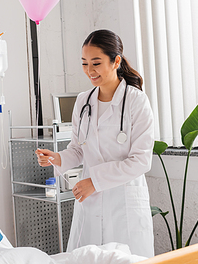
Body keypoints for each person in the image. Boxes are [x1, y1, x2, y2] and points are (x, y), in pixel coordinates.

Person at [36, 29, 154, 257]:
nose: (89, 71)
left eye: (96, 63)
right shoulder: (83, 101)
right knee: (87, 258)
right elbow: (78, 149)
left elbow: (141, 161)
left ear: (116, 61)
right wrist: (57, 158)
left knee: (128, 260)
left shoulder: (136, 101)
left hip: (124, 201)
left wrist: (95, 181)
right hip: (91, 202)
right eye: (84, 63)